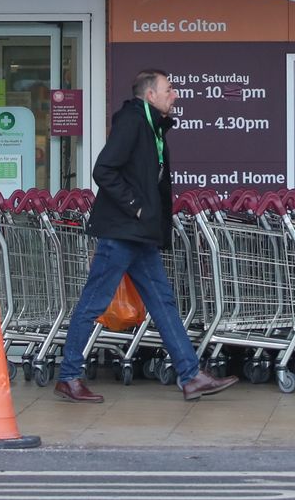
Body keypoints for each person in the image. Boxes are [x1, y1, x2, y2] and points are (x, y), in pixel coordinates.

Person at [54, 69, 238, 403]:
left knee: (163, 303)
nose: (175, 94)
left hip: (139, 235)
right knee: (94, 302)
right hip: (122, 231)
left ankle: (191, 375)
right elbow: (103, 169)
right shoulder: (133, 121)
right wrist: (136, 207)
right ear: (150, 94)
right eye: (169, 88)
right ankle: (69, 376)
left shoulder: (154, 126)